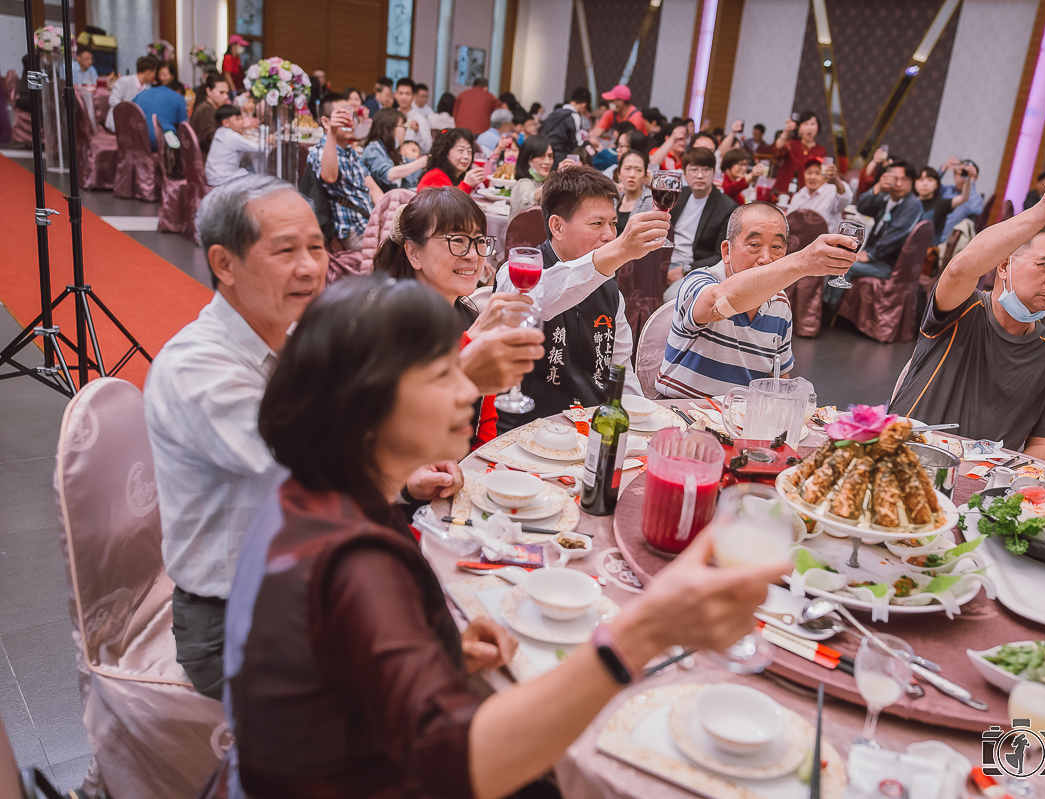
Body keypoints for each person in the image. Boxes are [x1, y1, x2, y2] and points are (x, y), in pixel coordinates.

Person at [204, 270, 785, 799]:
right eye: (440, 375)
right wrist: (644, 629)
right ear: (363, 407)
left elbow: (331, 654)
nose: (466, 390)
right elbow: (466, 767)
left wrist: (437, 648)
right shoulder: (355, 563)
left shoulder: (309, 493)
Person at [146, 175, 456, 702]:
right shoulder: (197, 369)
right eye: (285, 250)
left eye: (316, 246)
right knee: (420, 704)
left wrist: (406, 485)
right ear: (224, 264)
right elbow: (314, 475)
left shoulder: (294, 337)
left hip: (307, 585)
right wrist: (453, 384)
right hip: (230, 623)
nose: (312, 267)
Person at [890, 171, 1045, 459]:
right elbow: (961, 269)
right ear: (1003, 267)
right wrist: (1040, 213)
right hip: (905, 454)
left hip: (982, 483)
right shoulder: (962, 308)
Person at [493, 167, 672, 430]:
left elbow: (621, 367)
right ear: (557, 226)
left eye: (613, 223)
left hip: (592, 426)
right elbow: (543, 299)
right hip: (527, 430)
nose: (610, 235)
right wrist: (620, 252)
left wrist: (639, 424)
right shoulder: (516, 274)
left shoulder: (611, 291)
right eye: (597, 224)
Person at [374, 188, 545, 446]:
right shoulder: (387, 324)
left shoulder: (467, 314)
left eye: (478, 241)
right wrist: (472, 341)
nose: (473, 256)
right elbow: (398, 423)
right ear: (414, 253)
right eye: (457, 240)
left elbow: (484, 419)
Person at [655, 203, 855, 399]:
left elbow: (779, 377)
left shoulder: (780, 302)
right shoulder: (699, 281)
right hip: (680, 412)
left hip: (740, 421)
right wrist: (802, 262)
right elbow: (718, 304)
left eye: (777, 247)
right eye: (754, 245)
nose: (766, 258)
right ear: (726, 251)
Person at [826, 160, 922, 303]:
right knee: (837, 257)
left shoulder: (912, 204)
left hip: (890, 265)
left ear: (912, 181)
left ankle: (828, 308)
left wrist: (871, 255)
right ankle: (827, 305)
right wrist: (877, 187)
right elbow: (862, 207)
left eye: (905, 179)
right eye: (896, 179)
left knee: (844, 264)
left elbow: (896, 235)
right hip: (876, 258)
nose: (900, 184)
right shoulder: (886, 198)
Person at [307, 94, 380, 251]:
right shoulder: (319, 151)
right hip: (353, 229)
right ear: (326, 121)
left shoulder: (350, 152)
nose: (349, 121)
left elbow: (373, 188)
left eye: (351, 116)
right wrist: (332, 132)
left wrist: (389, 214)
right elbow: (330, 176)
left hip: (370, 222)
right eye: (342, 116)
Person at [664, 147, 739, 301]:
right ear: (684, 173)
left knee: (671, 297)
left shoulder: (726, 207)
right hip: (663, 260)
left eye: (705, 170)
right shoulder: (678, 195)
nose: (699, 175)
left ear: (714, 173)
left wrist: (685, 269)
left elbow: (721, 255)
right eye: (693, 169)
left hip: (694, 267)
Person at [361, 108, 429, 193]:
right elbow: (389, 174)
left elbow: (411, 169)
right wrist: (421, 162)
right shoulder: (373, 149)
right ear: (389, 127)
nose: (405, 132)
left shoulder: (393, 151)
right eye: (403, 127)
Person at [783, 156, 850, 232]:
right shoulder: (799, 195)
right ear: (804, 174)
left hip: (827, 241)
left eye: (817, 173)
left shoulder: (832, 191)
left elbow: (845, 199)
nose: (812, 177)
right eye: (809, 173)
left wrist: (835, 179)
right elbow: (789, 220)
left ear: (825, 176)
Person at [772, 111, 826, 196]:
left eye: (812, 124)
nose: (809, 127)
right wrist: (786, 131)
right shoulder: (791, 144)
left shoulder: (821, 151)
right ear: (799, 128)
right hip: (783, 192)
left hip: (806, 195)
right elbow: (777, 151)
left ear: (817, 128)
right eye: (806, 124)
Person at [416, 127, 485, 193]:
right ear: (445, 152)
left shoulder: (457, 176)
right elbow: (448, 204)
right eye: (460, 150)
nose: (466, 156)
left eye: (469, 151)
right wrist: (466, 185)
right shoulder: (435, 177)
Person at [914, 165, 971, 243]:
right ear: (914, 183)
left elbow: (963, 198)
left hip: (929, 251)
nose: (925, 184)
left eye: (930, 180)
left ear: (937, 184)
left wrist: (966, 178)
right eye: (921, 180)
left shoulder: (941, 203)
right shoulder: (910, 202)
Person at [205, 105, 259, 186]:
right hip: (223, 180)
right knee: (257, 178)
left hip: (212, 176)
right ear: (226, 123)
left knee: (247, 169)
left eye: (241, 118)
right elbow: (258, 148)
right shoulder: (232, 136)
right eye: (238, 119)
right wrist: (268, 141)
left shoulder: (220, 131)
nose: (242, 122)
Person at [134, 77, 189, 151]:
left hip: (137, 141)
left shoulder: (140, 94)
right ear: (179, 91)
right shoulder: (178, 97)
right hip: (162, 144)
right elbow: (183, 128)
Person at [936, 159, 984, 245]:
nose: (964, 178)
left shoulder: (974, 197)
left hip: (946, 244)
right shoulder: (946, 190)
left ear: (976, 178)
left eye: (968, 175)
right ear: (954, 175)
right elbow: (930, 189)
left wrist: (970, 182)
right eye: (962, 174)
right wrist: (943, 169)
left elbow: (975, 209)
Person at [541, 86, 591, 166]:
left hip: (548, 155)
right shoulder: (574, 116)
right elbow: (577, 142)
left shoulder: (556, 112)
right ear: (583, 105)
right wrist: (588, 144)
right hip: (561, 157)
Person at [106, 55, 157, 131]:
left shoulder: (148, 87)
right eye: (154, 72)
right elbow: (113, 100)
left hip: (135, 124)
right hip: (119, 123)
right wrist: (129, 111)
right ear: (148, 72)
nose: (155, 76)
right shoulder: (125, 81)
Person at [588, 83, 648, 148]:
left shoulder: (636, 117)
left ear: (621, 102)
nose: (610, 103)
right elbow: (595, 133)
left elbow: (630, 141)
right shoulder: (611, 113)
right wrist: (592, 139)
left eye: (612, 101)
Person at [509, 134, 553, 219]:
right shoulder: (523, 183)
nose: (548, 162)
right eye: (541, 156)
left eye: (550, 157)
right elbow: (528, 202)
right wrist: (556, 179)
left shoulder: (542, 182)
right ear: (528, 159)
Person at [190, 72, 230, 155]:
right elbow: (212, 140)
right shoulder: (206, 110)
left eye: (227, 93)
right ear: (209, 91)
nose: (226, 97)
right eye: (221, 92)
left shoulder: (208, 107)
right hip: (205, 159)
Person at [615, 149, 653, 234]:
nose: (632, 175)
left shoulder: (651, 202)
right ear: (619, 174)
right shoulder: (614, 199)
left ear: (645, 175)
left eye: (638, 170)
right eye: (627, 168)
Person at [393, 77, 432, 153]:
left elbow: (428, 148)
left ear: (413, 96)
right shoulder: (391, 117)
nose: (404, 97)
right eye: (400, 93)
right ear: (395, 95)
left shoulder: (421, 120)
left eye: (407, 94)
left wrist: (417, 132)